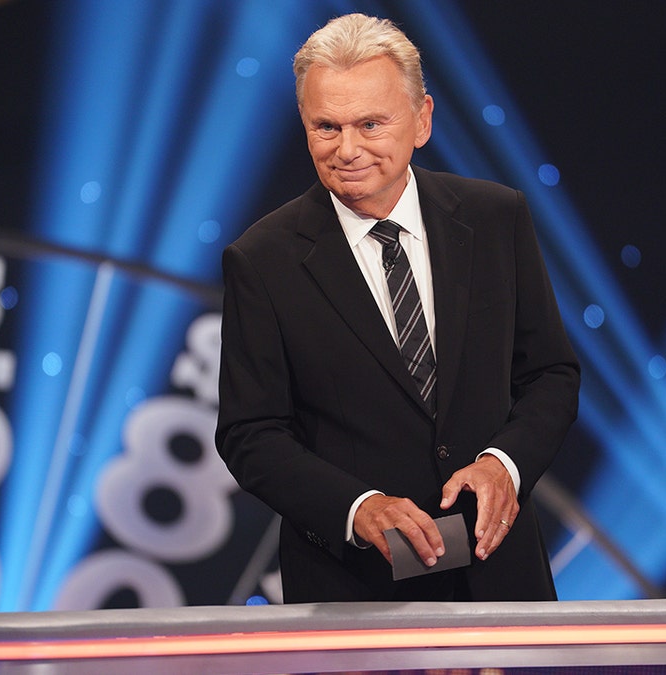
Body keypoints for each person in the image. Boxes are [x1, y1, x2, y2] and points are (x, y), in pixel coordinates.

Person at [215, 13, 580, 603]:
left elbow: (550, 375)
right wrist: (357, 509)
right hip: (356, 586)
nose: (348, 149)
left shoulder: (495, 219)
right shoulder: (262, 259)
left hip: (498, 575)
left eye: (370, 124)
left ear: (422, 120)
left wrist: (503, 466)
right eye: (326, 126)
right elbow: (249, 433)